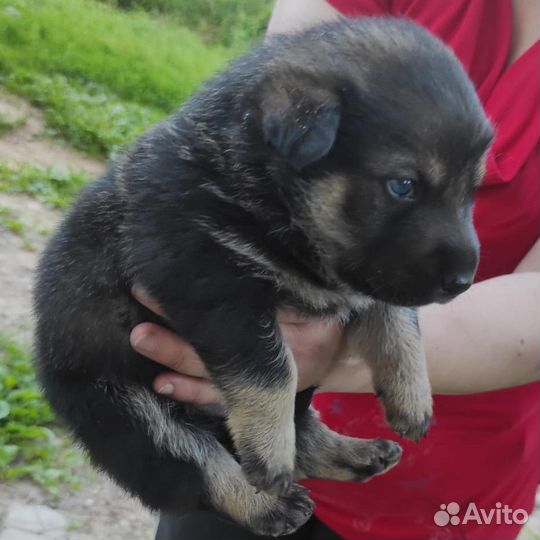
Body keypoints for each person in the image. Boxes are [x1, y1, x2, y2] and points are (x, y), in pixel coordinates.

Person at [129, 1, 540, 538]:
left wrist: (341, 351)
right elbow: (267, 118)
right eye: (403, 186)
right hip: (241, 436)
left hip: (447, 491)